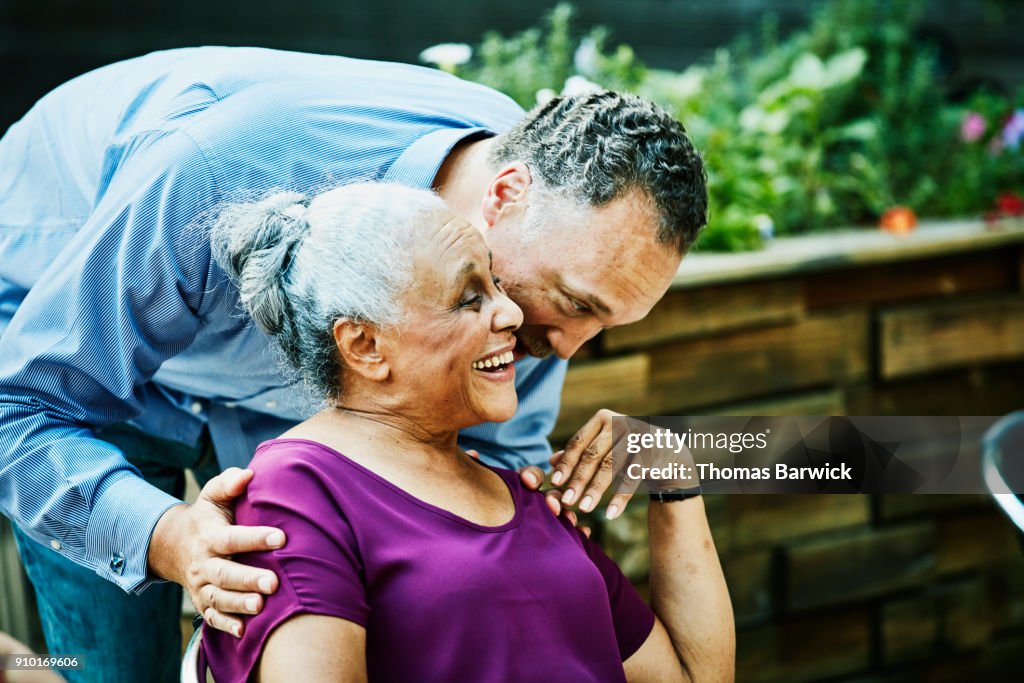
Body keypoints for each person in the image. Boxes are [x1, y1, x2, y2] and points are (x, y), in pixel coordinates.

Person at [0, 47, 706, 681]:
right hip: (66, 344)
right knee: (117, 665)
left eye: (604, 323)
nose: (567, 347)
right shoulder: (212, 172)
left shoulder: (537, 248)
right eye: (570, 302)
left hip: (251, 370)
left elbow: (482, 473)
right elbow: (16, 410)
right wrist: (168, 535)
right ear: (503, 197)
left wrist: (663, 470)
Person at [197, 182, 733, 682]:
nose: (511, 313)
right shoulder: (294, 490)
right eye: (469, 298)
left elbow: (697, 677)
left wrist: (673, 475)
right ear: (364, 346)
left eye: (496, 284)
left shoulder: (522, 494)